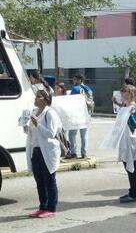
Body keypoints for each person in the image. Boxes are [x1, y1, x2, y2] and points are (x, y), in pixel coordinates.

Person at [25, 89, 62, 218]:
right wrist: (25, 124)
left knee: (49, 180)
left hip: (47, 151)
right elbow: (31, 132)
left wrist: (37, 124)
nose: (35, 99)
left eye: (38, 97)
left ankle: (51, 208)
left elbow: (51, 134)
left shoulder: (50, 113)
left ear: (45, 99)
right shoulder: (35, 112)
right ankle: (43, 206)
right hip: (35, 150)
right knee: (39, 181)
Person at [117, 85, 136, 203]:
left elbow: (134, 125)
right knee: (127, 165)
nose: (123, 94)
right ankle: (131, 191)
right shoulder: (125, 106)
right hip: (125, 139)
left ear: (132, 94)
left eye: (125, 92)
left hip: (132, 140)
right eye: (122, 92)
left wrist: (129, 115)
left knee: (132, 166)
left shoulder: (135, 107)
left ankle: (134, 194)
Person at [66, 74, 92, 159]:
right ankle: (84, 153)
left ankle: (73, 152)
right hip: (86, 114)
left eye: (75, 80)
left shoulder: (75, 89)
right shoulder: (88, 89)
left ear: (80, 80)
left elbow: (70, 101)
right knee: (84, 135)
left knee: (72, 134)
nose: (73, 81)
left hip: (76, 114)